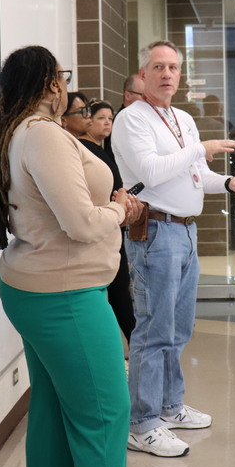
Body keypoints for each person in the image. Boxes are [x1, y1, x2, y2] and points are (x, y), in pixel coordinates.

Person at [0, 47, 140, 467]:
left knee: (52, 409)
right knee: (105, 416)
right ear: (52, 84)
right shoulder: (44, 135)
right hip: (66, 294)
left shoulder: (15, 131)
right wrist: (119, 211)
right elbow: (79, 222)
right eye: (62, 77)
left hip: (35, 286)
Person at [111, 40, 235, 457]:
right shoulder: (131, 119)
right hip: (156, 232)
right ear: (142, 75)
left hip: (186, 232)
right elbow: (151, 172)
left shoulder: (181, 118)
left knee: (178, 330)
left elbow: (198, 174)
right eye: (158, 67)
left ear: (181, 75)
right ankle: (141, 424)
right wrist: (201, 149)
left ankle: (169, 406)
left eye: (174, 68)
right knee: (152, 330)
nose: (167, 74)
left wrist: (231, 183)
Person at [62, 93, 136, 343]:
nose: (104, 121)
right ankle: (135, 343)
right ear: (62, 118)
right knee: (115, 290)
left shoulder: (96, 149)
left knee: (118, 286)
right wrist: (118, 209)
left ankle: (134, 343)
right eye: (83, 112)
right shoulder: (75, 149)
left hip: (110, 225)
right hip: (95, 231)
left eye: (109, 118)